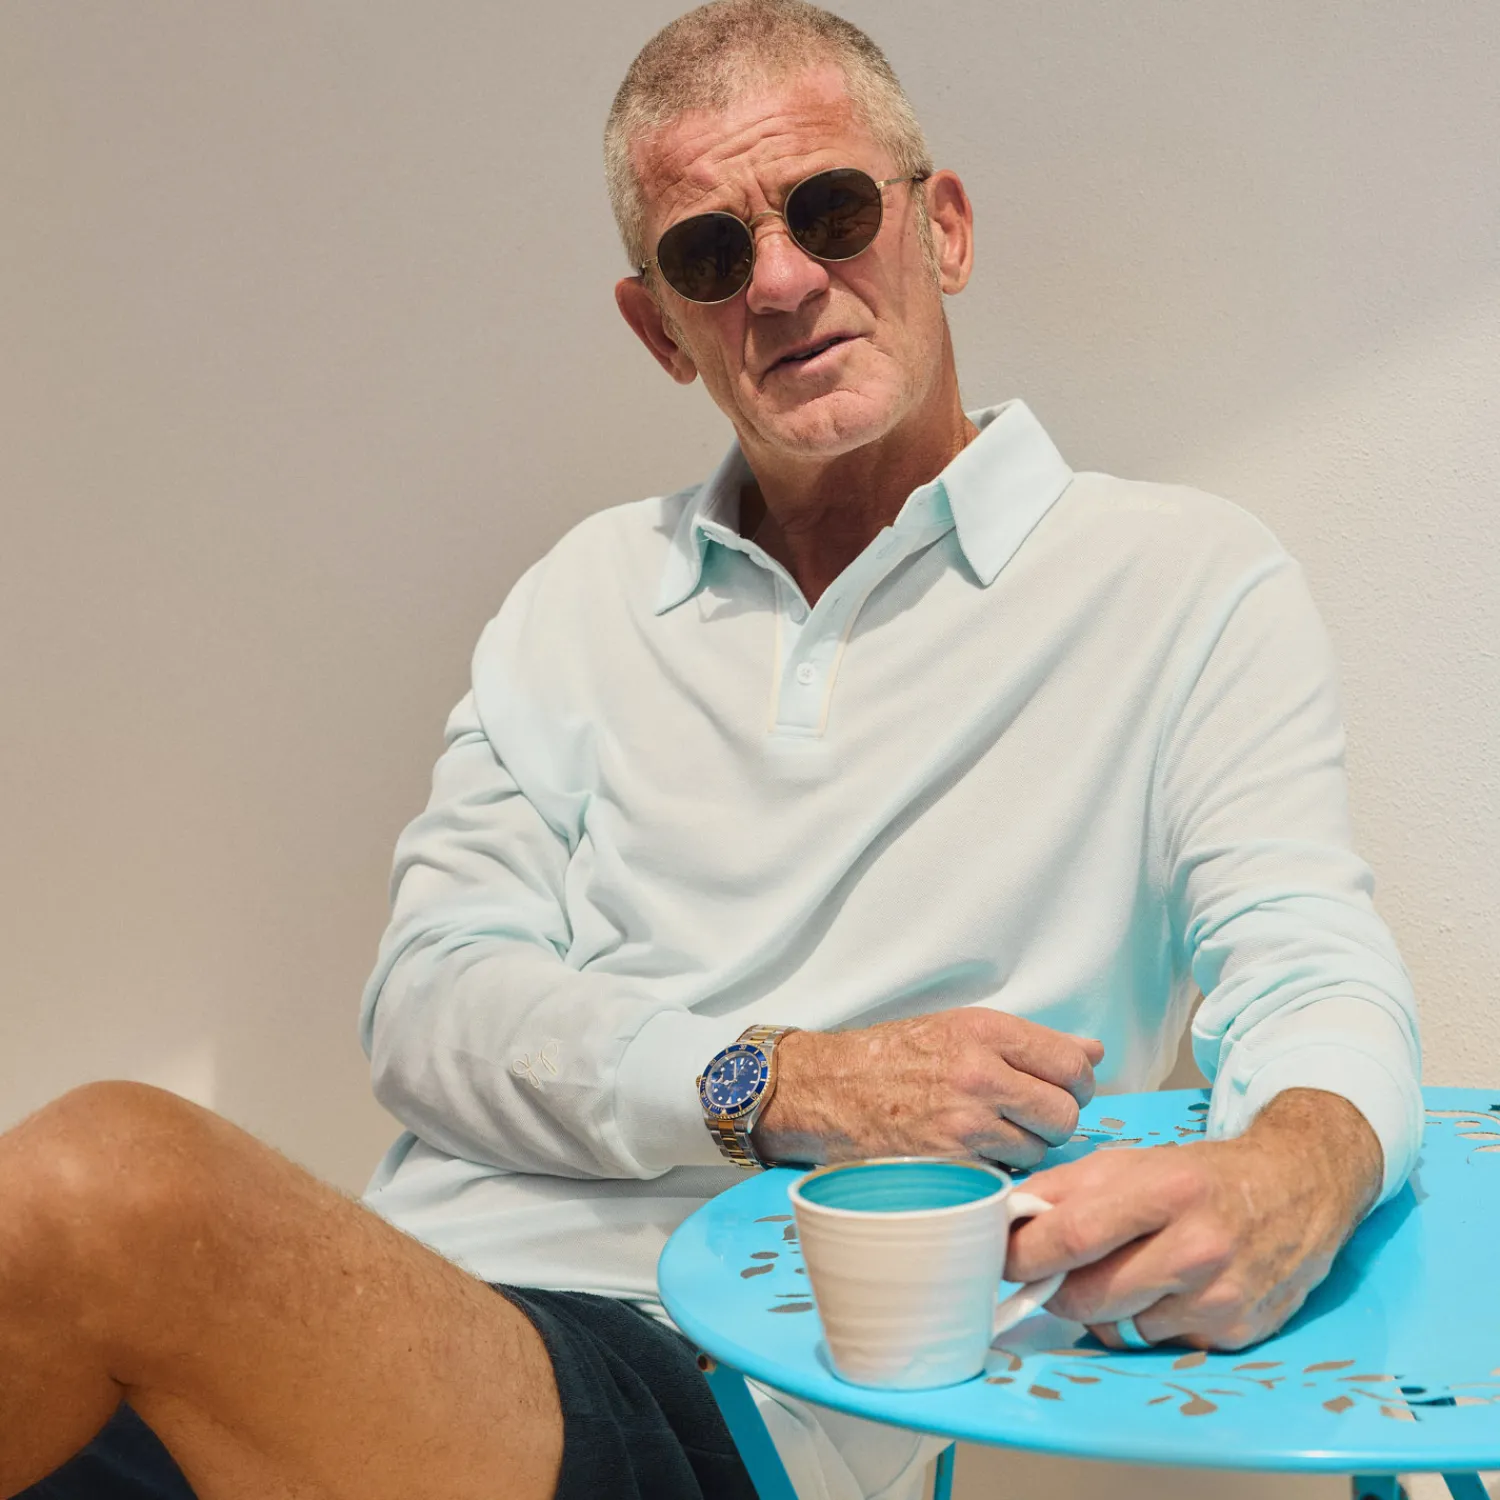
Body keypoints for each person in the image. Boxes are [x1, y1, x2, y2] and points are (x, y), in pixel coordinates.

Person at [1, 3, 1422, 1498]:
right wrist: (773, 1082)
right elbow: (428, 1009)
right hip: (388, 1322)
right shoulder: (583, 596)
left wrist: (1302, 1168)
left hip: (727, 1388)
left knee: (109, 1188)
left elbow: (1309, 962)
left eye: (833, 209)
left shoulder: (1180, 582)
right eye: (710, 254)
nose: (784, 282)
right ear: (659, 328)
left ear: (942, 228)